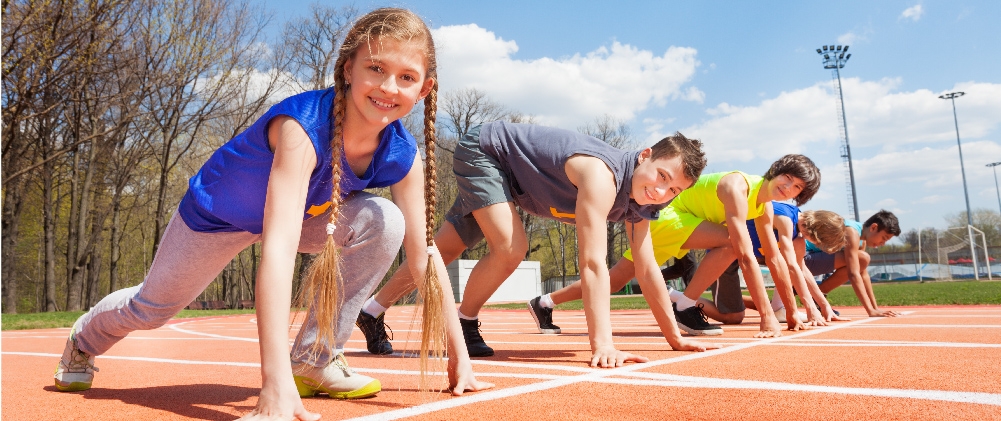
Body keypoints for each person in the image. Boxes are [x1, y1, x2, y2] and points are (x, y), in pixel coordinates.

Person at [52, 8, 492, 421]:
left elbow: (424, 256)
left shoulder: (402, 155)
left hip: (307, 217)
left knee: (385, 221)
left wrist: (459, 354)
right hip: (218, 217)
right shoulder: (302, 130)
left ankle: (314, 359)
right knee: (152, 310)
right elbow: (278, 251)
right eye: (375, 69)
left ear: (424, 89)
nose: (389, 88)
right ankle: (84, 338)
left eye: (406, 77)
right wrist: (272, 385)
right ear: (348, 70)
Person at [355, 121, 715, 367]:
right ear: (645, 155)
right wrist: (603, 344)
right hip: (488, 153)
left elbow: (647, 267)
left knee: (443, 249)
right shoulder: (602, 177)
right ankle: (465, 321)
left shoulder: (644, 204)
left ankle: (370, 310)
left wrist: (674, 337)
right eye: (662, 176)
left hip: (513, 182)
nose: (660, 191)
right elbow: (592, 264)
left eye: (674, 190)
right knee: (511, 249)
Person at [535, 156, 822, 339]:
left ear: (801, 195)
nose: (788, 187)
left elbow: (774, 257)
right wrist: (767, 317)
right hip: (670, 215)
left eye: (797, 188)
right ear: (776, 170)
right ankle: (684, 304)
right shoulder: (739, 187)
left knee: (614, 279)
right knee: (732, 243)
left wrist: (793, 311)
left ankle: (545, 302)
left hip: (685, 222)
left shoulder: (764, 208)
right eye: (787, 178)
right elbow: (747, 256)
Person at [731, 205, 849, 324]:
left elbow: (802, 269)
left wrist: (824, 306)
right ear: (817, 233)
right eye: (820, 241)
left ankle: (778, 308)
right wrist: (811, 309)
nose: (818, 245)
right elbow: (791, 266)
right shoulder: (786, 218)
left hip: (736, 254)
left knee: (733, 316)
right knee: (731, 317)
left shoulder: (798, 235)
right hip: (723, 250)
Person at [803, 209, 902, 318]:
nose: (882, 244)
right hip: (802, 259)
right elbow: (853, 273)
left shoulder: (861, 239)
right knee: (863, 258)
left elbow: (863, 274)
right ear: (873, 227)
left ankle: (817, 296)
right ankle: (817, 295)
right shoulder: (852, 232)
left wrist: (875, 308)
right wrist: (870, 311)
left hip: (811, 260)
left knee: (862, 260)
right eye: (884, 238)